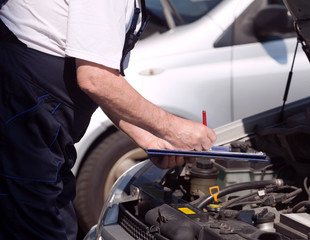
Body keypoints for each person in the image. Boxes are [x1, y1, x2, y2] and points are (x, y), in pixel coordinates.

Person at [0, 0, 216, 239]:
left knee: (60, 225)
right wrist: (174, 129)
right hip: (24, 117)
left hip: (46, 129)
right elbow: (96, 79)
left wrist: (150, 138)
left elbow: (99, 82)